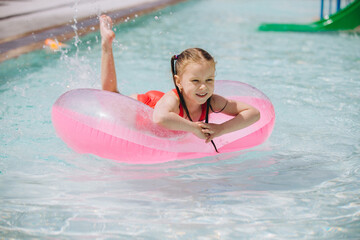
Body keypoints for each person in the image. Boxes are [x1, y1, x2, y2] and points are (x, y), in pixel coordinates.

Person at [99, 15, 260, 147]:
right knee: (109, 96)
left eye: (209, 79)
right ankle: (106, 44)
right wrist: (193, 128)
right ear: (179, 81)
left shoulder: (212, 102)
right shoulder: (174, 99)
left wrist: (221, 129)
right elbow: (160, 118)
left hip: (160, 110)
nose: (203, 87)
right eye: (195, 80)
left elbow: (253, 113)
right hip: (144, 107)